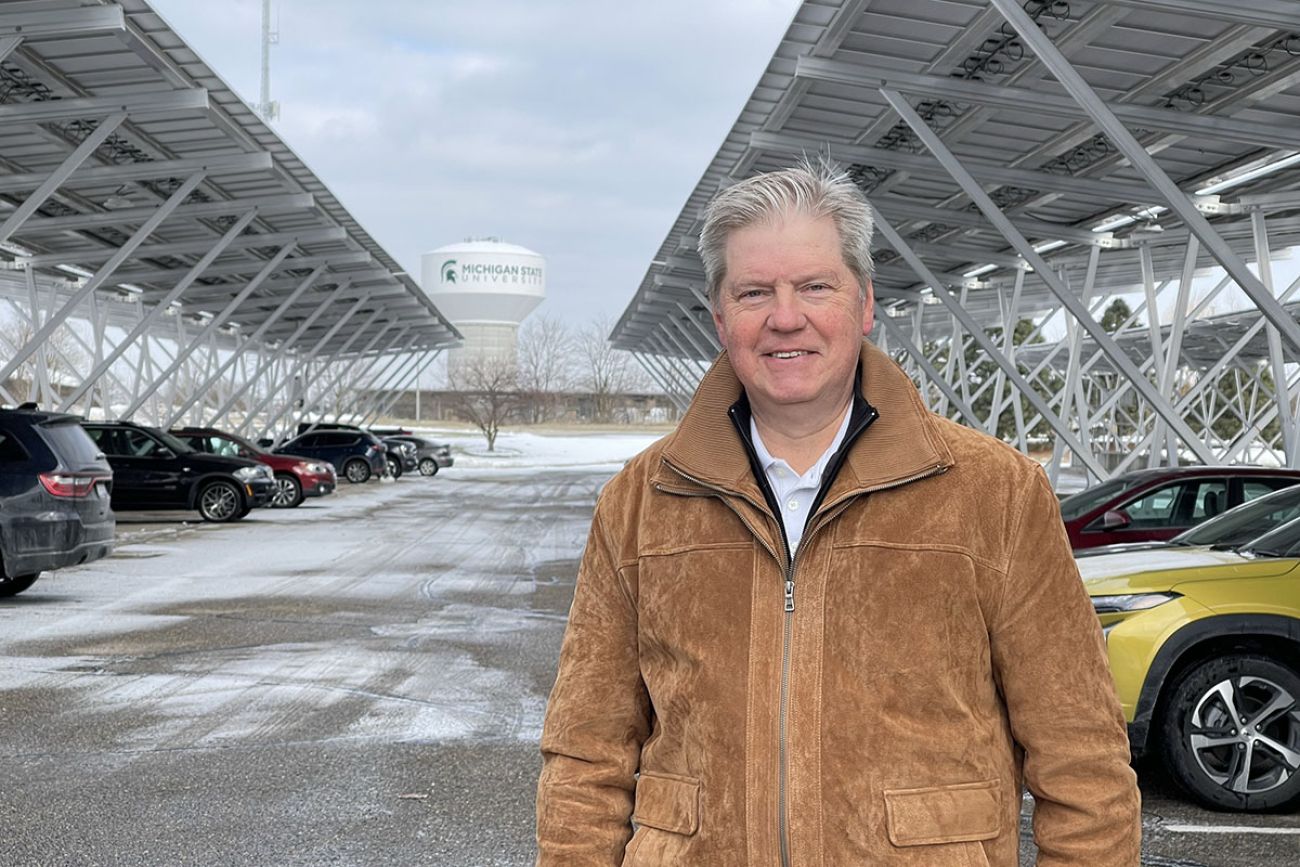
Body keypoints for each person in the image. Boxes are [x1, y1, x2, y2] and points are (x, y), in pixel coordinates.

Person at [536, 161, 1141, 866]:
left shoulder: (994, 492)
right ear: (720, 316)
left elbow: (1084, 755)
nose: (785, 316)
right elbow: (586, 752)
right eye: (755, 291)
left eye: (814, 286)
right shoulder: (641, 500)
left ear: (863, 304)